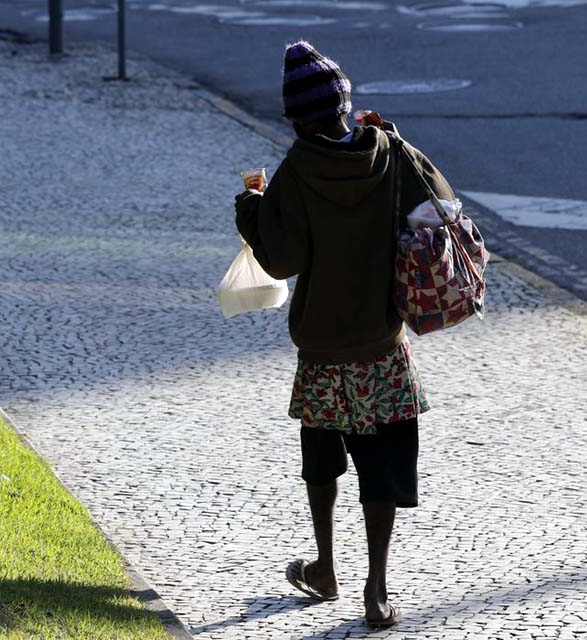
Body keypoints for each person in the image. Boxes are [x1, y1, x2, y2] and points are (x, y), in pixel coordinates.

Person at [234, 40, 455, 629]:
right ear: (343, 105)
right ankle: (376, 589)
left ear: (296, 119)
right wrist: (398, 139)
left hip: (324, 348)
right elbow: (443, 204)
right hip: (382, 344)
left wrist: (250, 208)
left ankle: (326, 567)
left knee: (322, 460)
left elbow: (281, 260)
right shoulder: (388, 152)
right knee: (382, 465)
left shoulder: (297, 171)